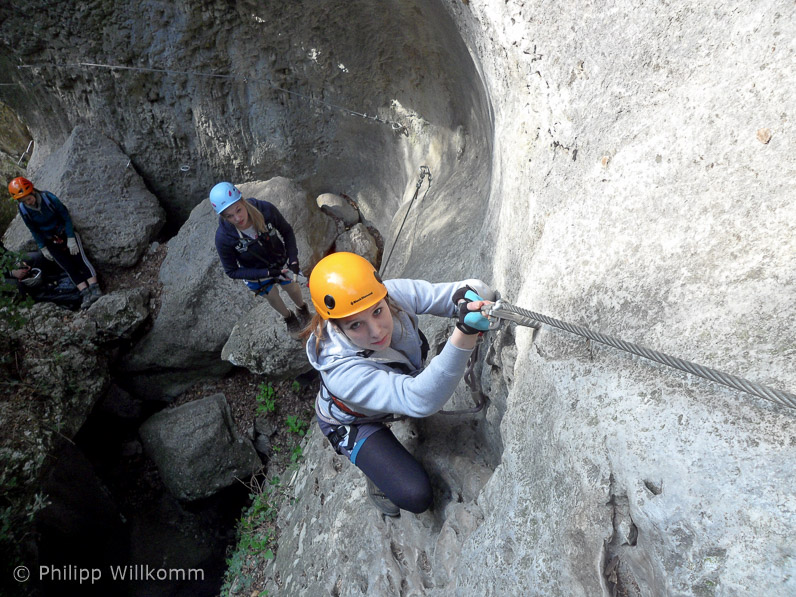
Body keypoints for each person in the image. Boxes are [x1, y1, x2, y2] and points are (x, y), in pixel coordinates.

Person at [303, 252, 494, 517]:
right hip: (351, 419)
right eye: (356, 324)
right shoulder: (341, 373)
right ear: (336, 326)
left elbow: (466, 290)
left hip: (397, 379)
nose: (377, 330)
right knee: (414, 496)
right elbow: (420, 400)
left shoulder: (388, 294)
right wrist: (465, 333)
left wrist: (469, 299)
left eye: (378, 312)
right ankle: (375, 472)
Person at [211, 181, 310, 333]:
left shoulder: (265, 210)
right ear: (223, 217)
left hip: (279, 260)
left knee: (293, 287)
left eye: (238, 210)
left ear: (242, 201)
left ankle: (302, 308)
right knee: (272, 296)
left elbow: (286, 231)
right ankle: (288, 317)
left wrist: (293, 259)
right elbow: (231, 271)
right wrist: (267, 274)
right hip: (256, 273)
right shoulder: (224, 237)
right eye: (230, 216)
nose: (237, 218)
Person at [8, 177, 102, 309]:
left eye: (28, 198)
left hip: (64, 232)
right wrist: (43, 247)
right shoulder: (24, 210)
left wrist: (70, 237)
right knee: (68, 266)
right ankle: (85, 292)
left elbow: (66, 216)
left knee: (80, 259)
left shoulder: (48, 198)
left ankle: (94, 288)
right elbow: (34, 230)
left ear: (33, 191)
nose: (28, 203)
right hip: (50, 240)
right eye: (24, 201)